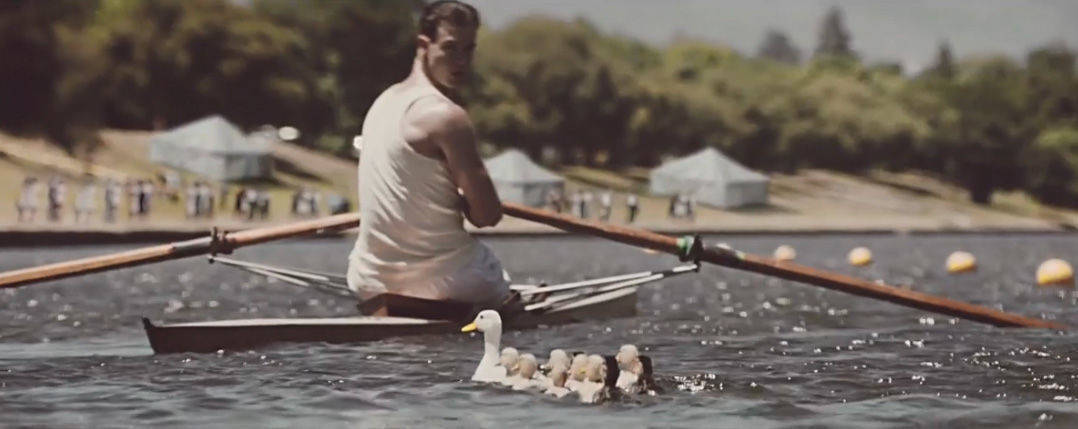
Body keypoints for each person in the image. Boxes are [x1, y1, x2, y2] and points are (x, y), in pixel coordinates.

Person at [347, 1, 510, 308]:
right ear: (424, 45)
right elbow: (487, 216)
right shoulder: (448, 117)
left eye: (469, 49)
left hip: (367, 279)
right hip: (451, 283)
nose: (461, 61)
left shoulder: (381, 103)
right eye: (450, 48)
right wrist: (466, 202)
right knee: (495, 275)